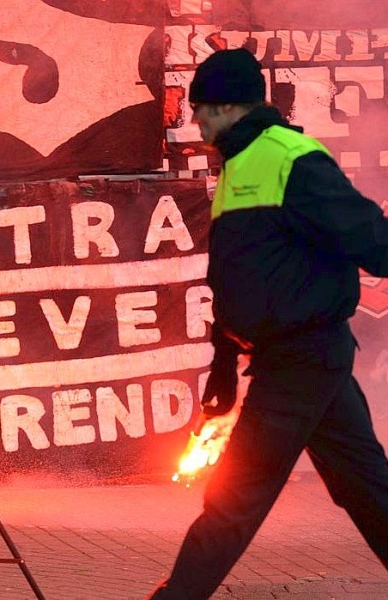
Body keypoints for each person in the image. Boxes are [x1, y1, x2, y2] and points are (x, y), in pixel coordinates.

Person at [148, 48, 388, 598]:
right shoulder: (240, 163)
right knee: (367, 488)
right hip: (298, 356)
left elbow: (370, 239)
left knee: (234, 500)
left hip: (302, 355)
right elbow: (241, 278)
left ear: (229, 106)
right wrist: (225, 365)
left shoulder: (291, 157)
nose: (197, 122)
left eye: (202, 109)